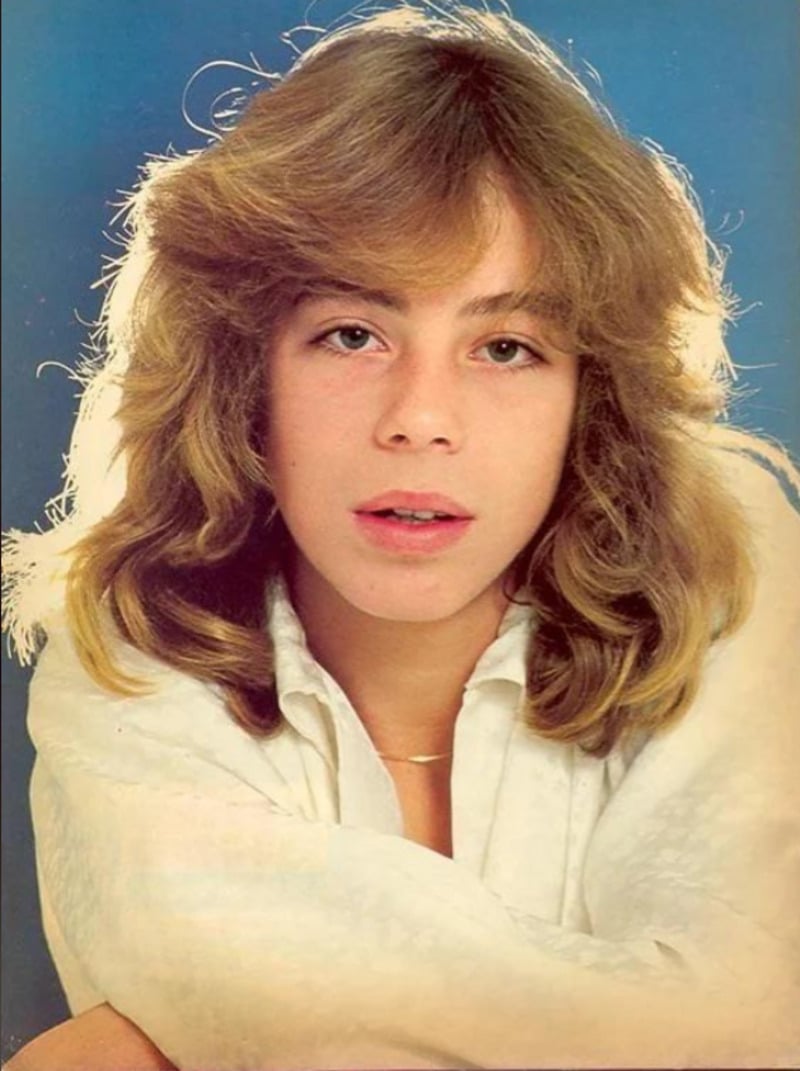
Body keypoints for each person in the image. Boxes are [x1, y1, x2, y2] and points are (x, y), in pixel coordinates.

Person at [3, 3, 799, 1068]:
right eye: (349, 333)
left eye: (506, 347)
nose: (420, 417)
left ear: (589, 395)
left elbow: (752, 1018)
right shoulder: (131, 639)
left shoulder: (731, 561)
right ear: (243, 376)